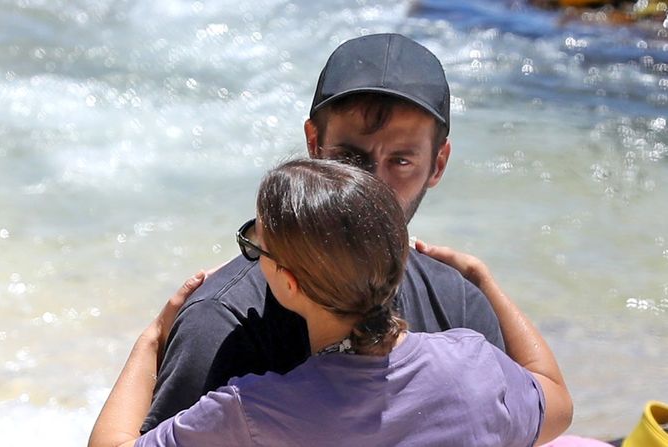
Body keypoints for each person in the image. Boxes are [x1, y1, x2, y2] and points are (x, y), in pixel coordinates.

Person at [141, 33, 507, 433]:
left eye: (400, 161)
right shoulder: (222, 320)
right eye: (351, 158)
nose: (373, 186)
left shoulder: (459, 306)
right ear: (314, 143)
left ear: (437, 164)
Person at [89, 159, 572, 447]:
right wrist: (484, 280)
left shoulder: (256, 412)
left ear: (291, 282)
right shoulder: (473, 366)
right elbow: (558, 405)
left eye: (257, 244)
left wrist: (150, 341)